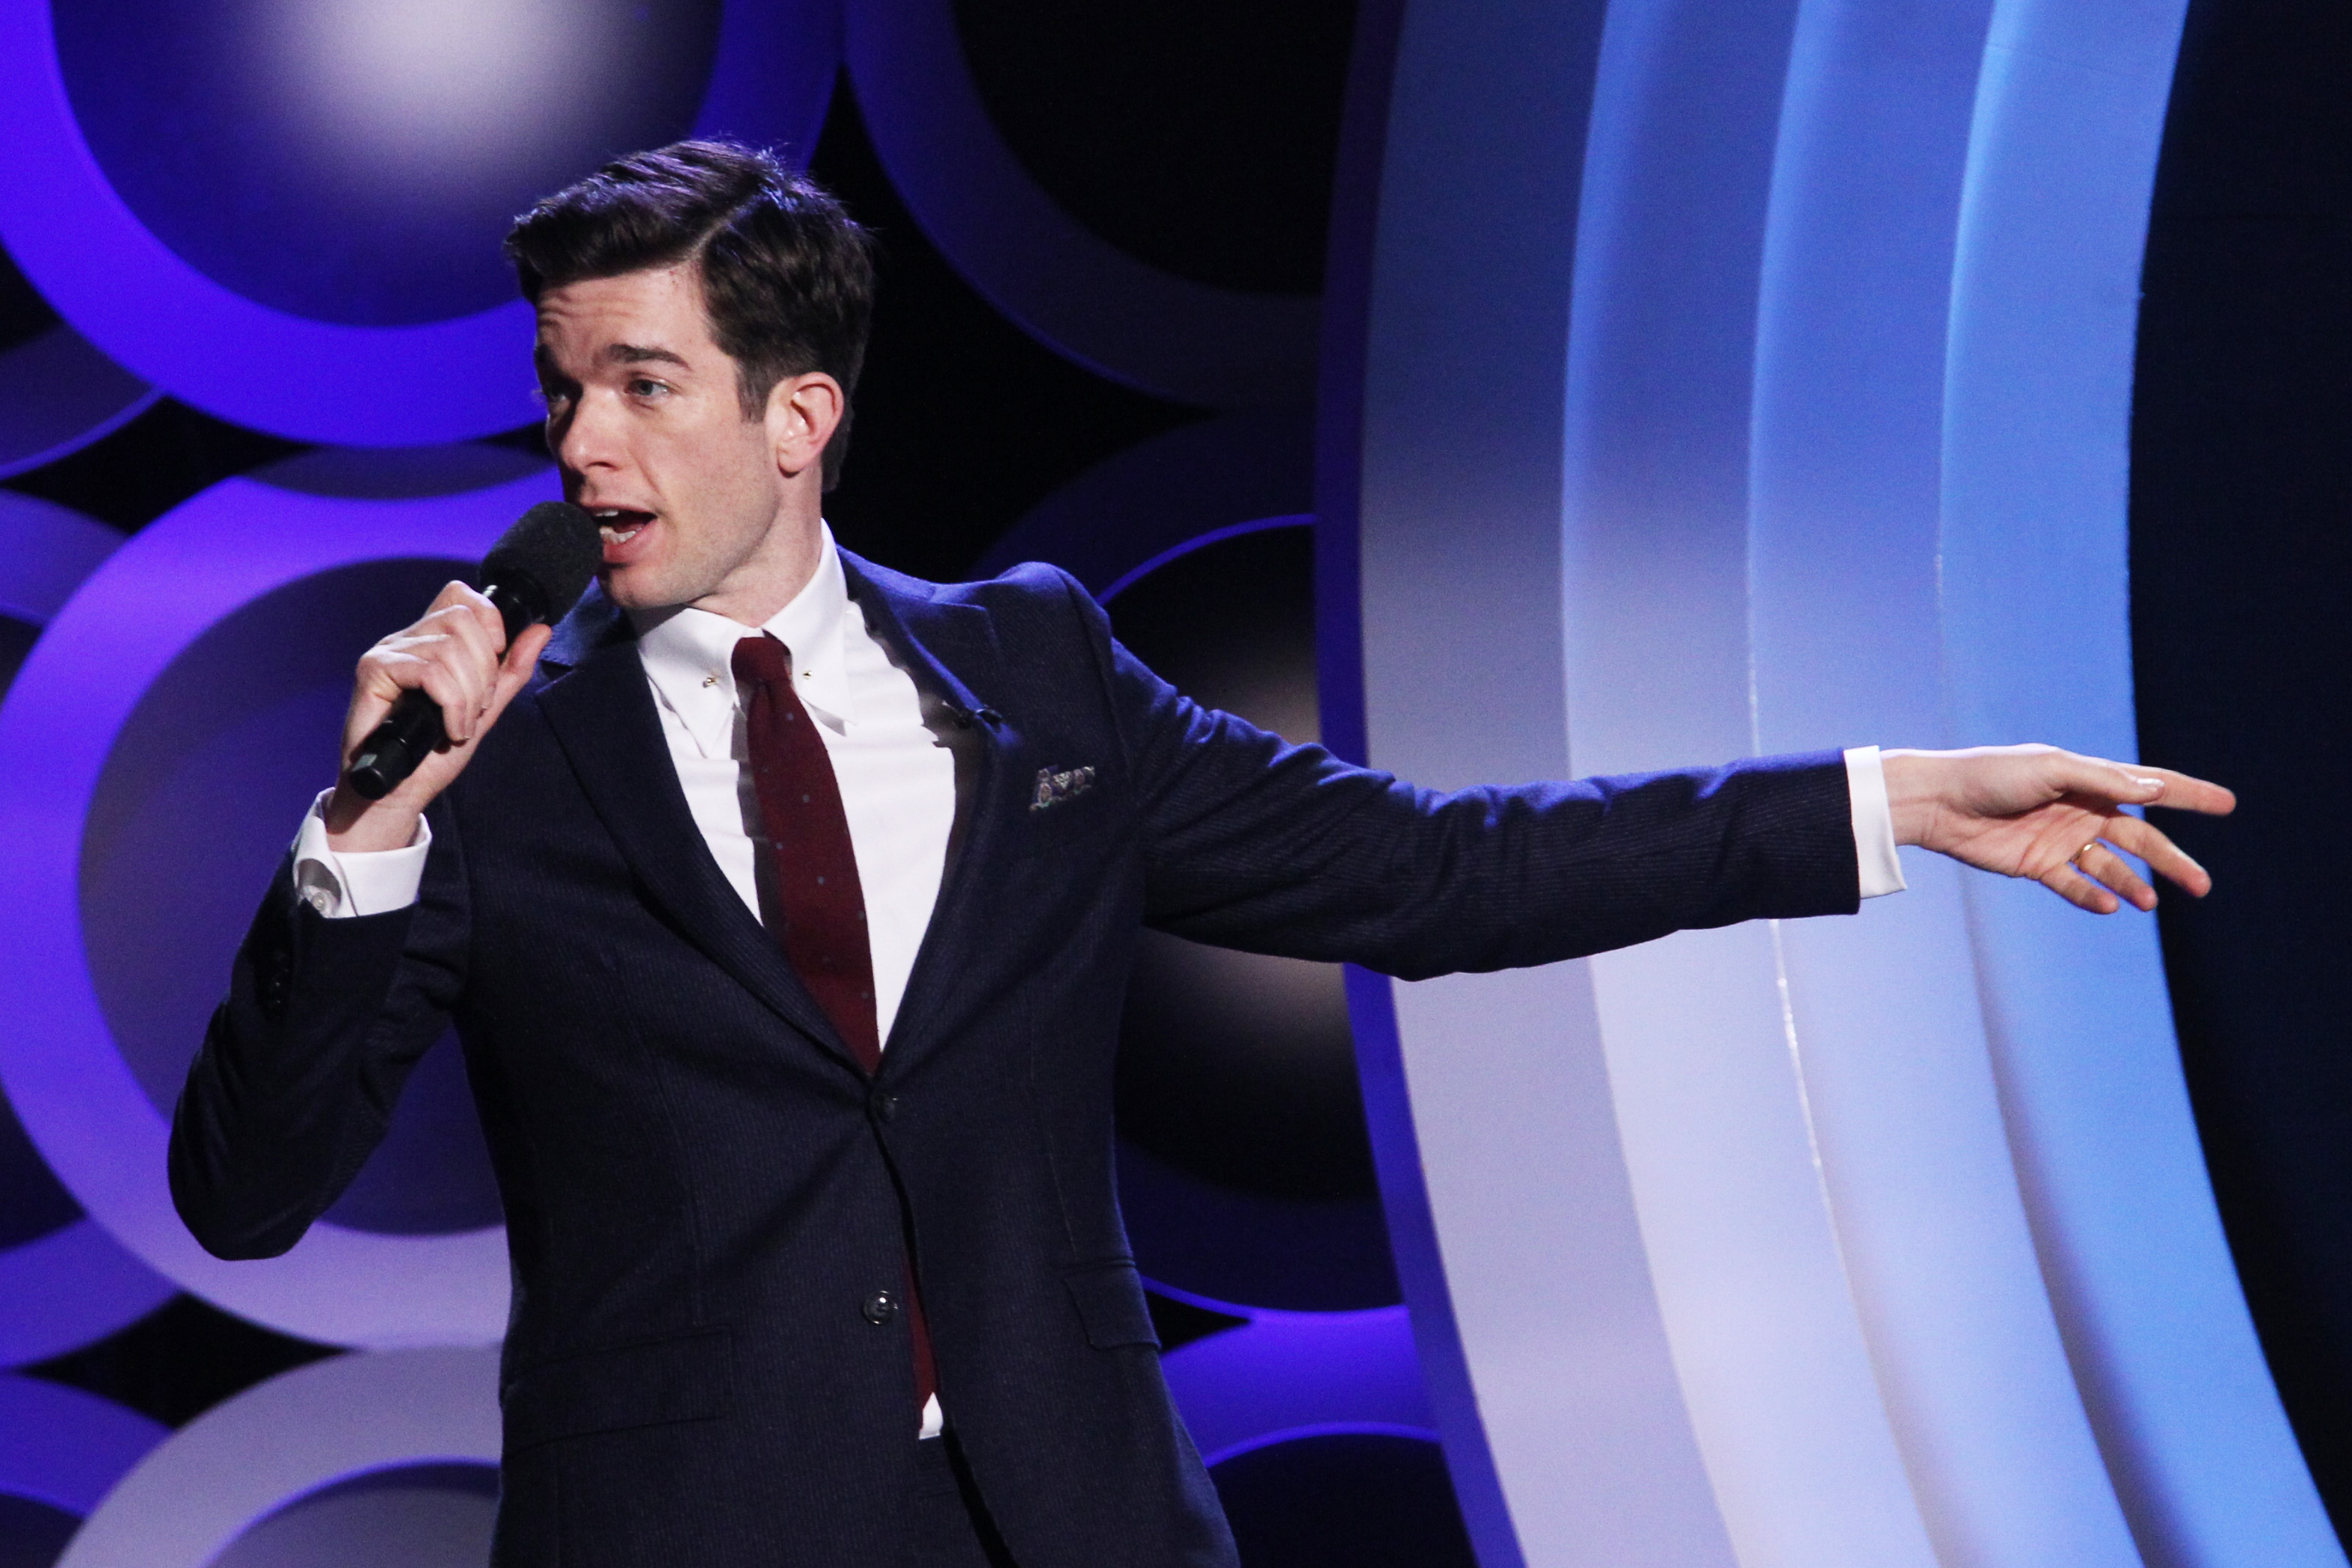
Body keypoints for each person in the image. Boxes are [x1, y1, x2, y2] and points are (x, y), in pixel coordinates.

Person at [169, 141, 2232, 1568]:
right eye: (559, 392)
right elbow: (246, 1196)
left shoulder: (1039, 670)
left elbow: (1442, 873)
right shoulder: (496, 775)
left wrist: (1873, 799)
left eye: (639, 386)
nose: (580, 448)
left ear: (797, 417)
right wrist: (361, 835)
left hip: (1071, 1519)